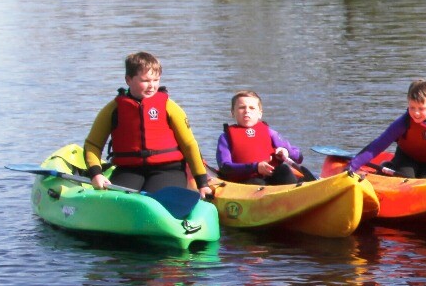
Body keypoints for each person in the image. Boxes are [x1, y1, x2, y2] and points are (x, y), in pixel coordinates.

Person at [81, 52, 215, 199]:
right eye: (145, 80)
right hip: (129, 170)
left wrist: (202, 183)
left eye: (156, 80)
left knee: (155, 200)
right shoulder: (113, 109)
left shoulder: (169, 107)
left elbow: (189, 145)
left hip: (168, 170)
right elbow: (92, 144)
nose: (152, 86)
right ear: (128, 80)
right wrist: (96, 174)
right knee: (121, 200)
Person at [214, 90, 313, 186]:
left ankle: (294, 194)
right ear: (232, 112)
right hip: (246, 181)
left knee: (283, 169)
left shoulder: (270, 133)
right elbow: (225, 168)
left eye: (252, 108)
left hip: (273, 177)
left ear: (260, 113)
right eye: (241, 107)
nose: (247, 111)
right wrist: (256, 167)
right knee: (257, 182)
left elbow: (298, 157)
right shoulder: (225, 138)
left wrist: (286, 152)